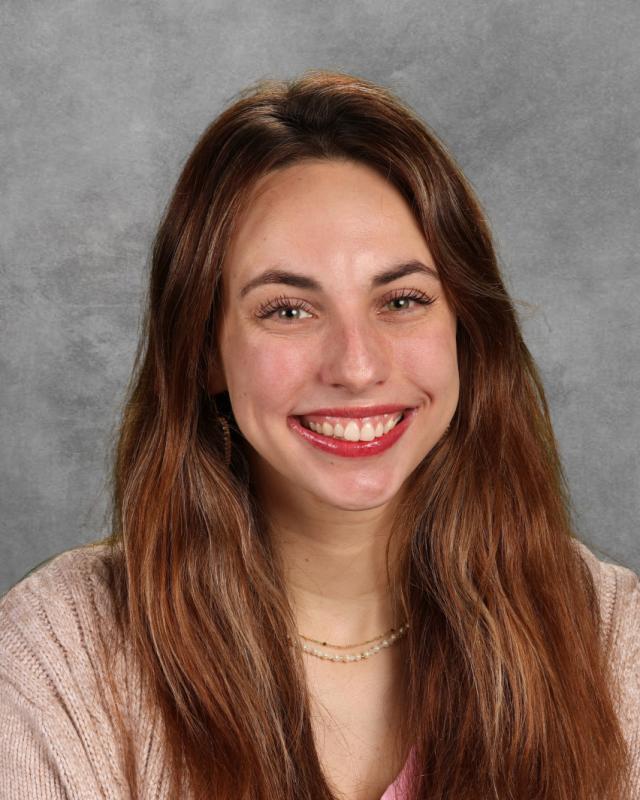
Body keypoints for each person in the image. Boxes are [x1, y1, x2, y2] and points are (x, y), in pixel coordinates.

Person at [1, 70, 638, 800]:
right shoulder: (55, 655)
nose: (358, 367)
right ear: (204, 349)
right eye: (288, 310)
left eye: (402, 299)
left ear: (466, 329)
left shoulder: (612, 637)